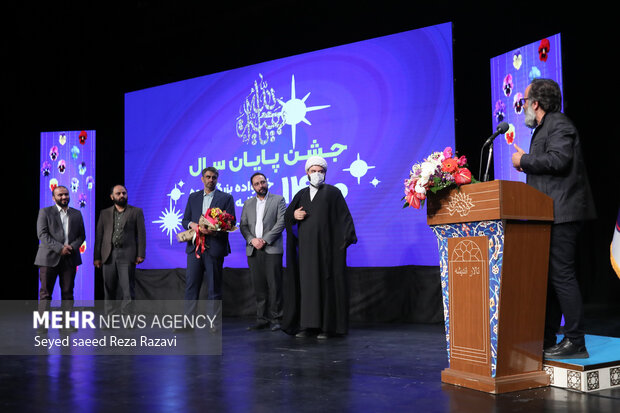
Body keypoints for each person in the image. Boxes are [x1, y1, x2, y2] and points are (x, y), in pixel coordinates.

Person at [512, 78, 596, 359]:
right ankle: (548, 337)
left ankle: (576, 341)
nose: (523, 107)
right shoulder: (543, 128)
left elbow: (559, 161)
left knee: (562, 276)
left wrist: (523, 161)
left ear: (535, 103)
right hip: (549, 213)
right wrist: (528, 161)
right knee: (550, 278)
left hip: (562, 213)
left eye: (524, 101)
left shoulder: (559, 123)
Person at [283, 156, 357, 339]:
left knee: (326, 286)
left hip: (327, 251)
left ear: (325, 173)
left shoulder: (333, 192)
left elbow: (345, 218)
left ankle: (327, 328)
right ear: (307, 173)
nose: (317, 174)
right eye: (313, 171)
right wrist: (293, 214)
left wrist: (343, 243)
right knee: (308, 287)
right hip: (306, 252)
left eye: (320, 171)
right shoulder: (300, 194)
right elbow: (287, 217)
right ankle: (308, 327)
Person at [180, 166, 235, 330]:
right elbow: (185, 220)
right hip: (194, 249)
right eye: (208, 177)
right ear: (202, 179)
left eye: (214, 177)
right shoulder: (193, 197)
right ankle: (188, 323)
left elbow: (231, 222)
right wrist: (194, 225)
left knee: (214, 287)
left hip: (214, 247)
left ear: (217, 179)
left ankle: (214, 324)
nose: (211, 180)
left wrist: (213, 229)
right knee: (191, 286)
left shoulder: (226, 198)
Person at [34, 185, 86, 333]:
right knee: (45, 293)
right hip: (48, 259)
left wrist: (71, 247)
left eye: (66, 194)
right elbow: (42, 235)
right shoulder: (45, 212)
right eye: (60, 195)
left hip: (70, 259)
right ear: (54, 198)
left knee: (68, 292)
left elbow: (82, 236)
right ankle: (42, 325)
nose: (64, 197)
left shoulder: (76, 214)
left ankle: (65, 324)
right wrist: (60, 248)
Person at [240, 172, 286, 332]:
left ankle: (277, 319)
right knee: (259, 287)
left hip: (271, 249)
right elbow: (243, 226)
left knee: (275, 286)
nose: (261, 186)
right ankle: (262, 319)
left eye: (263, 182)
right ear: (252, 186)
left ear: (267, 182)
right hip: (253, 250)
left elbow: (281, 222)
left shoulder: (278, 200)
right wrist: (252, 240)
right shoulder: (247, 203)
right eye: (257, 184)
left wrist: (264, 240)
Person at [94, 185, 146, 316]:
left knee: (128, 289)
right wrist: (97, 257)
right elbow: (99, 236)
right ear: (112, 197)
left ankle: (128, 317)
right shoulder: (104, 213)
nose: (122, 195)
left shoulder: (136, 212)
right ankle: (109, 317)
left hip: (127, 254)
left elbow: (141, 234)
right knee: (109, 289)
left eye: (124, 193)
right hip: (108, 255)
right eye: (118, 193)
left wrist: (141, 254)